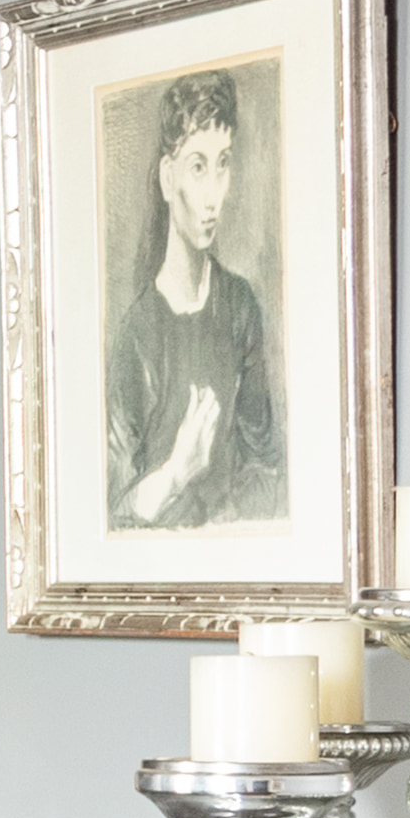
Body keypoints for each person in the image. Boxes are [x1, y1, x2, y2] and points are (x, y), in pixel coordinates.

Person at [105, 68, 282, 531]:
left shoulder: (239, 307)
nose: (213, 196)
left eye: (223, 164)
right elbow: (115, 512)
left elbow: (264, 467)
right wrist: (177, 472)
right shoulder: (137, 335)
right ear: (169, 179)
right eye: (198, 167)